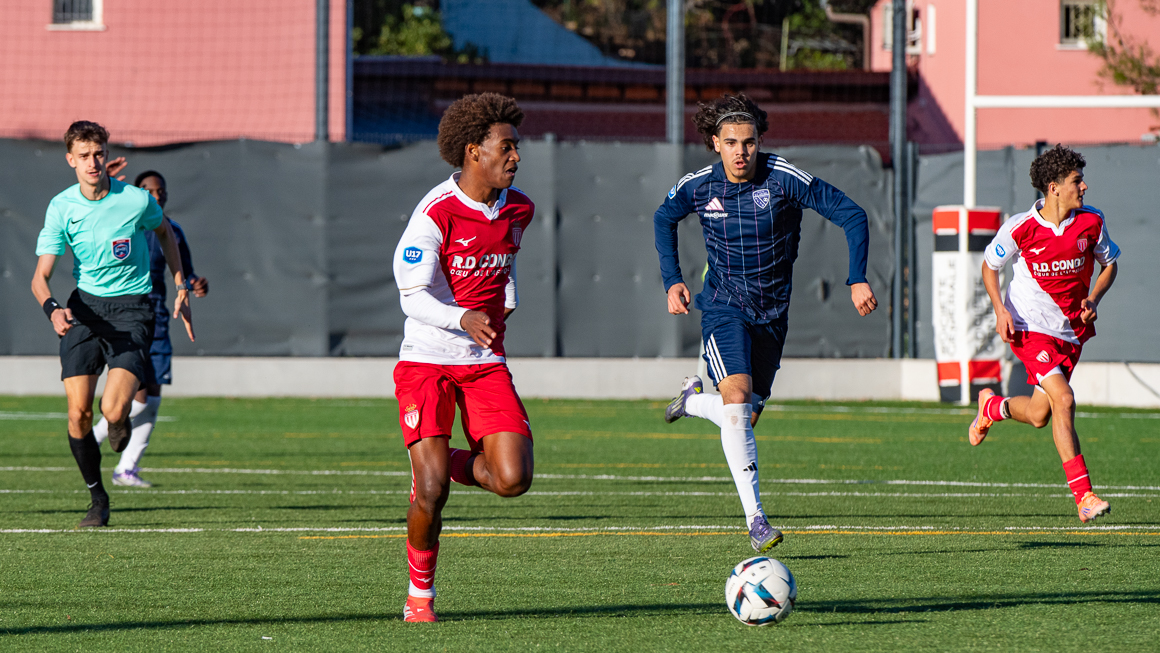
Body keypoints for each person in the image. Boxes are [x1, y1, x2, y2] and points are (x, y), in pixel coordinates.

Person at [654, 94, 878, 553]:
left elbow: (852, 214)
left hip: (773, 315)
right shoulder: (698, 186)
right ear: (715, 143)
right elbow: (664, 217)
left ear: (760, 143)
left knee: (743, 418)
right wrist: (673, 280)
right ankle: (756, 519)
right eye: (732, 142)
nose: (741, 152)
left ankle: (694, 402)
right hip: (722, 306)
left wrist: (857, 278)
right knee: (736, 398)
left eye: (750, 142)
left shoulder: (784, 178)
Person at [392, 93, 535, 622]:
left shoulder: (519, 207)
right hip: (427, 360)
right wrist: (462, 318)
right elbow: (411, 297)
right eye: (506, 147)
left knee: (513, 480)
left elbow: (507, 261)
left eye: (517, 147)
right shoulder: (434, 214)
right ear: (474, 151)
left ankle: (443, 461)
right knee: (429, 492)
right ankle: (419, 597)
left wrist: (508, 299)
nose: (516, 157)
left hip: (485, 362)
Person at [30, 121, 194, 528]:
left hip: (132, 310)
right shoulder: (62, 206)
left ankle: (119, 423)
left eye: (98, 153)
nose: (93, 162)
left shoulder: (136, 201)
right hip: (84, 311)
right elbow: (40, 276)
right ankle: (98, 499)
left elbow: (165, 234)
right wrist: (52, 308)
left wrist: (180, 283)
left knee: (113, 407)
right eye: (83, 156)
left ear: (107, 154)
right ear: (71, 160)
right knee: (78, 414)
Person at [969, 145, 1118, 523]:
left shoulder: (1092, 222)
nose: (1084, 186)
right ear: (1053, 187)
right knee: (1064, 399)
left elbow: (1110, 264)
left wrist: (1094, 298)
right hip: (1029, 327)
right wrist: (1000, 310)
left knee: (1039, 415)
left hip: (1070, 331)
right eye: (1076, 181)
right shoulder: (1022, 227)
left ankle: (991, 407)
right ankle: (1083, 496)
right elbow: (990, 267)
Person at [91, 168, 209, 487]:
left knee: (153, 396)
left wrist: (195, 284)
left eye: (161, 191)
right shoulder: (127, 226)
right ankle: (91, 439)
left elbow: (183, 273)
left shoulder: (173, 231)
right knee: (137, 397)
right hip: (130, 318)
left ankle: (125, 469)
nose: (156, 195)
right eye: (149, 190)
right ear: (138, 193)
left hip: (159, 319)